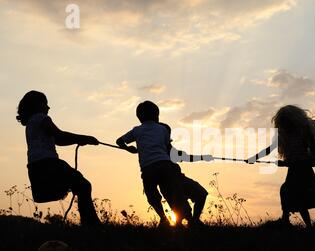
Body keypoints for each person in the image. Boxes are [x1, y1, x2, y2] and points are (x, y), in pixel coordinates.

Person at [16, 90, 101, 226]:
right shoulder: (41, 118)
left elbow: (58, 140)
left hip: (35, 167)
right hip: (49, 164)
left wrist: (78, 140)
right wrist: (85, 138)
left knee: (80, 186)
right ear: (38, 105)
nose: (48, 107)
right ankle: (92, 226)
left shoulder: (31, 123)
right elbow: (59, 136)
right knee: (84, 186)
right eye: (45, 103)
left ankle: (90, 225)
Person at [116, 100, 198, 228]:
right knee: (174, 192)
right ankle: (189, 219)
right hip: (166, 165)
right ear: (157, 115)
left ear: (139, 117)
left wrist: (129, 148)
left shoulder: (136, 130)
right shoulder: (162, 129)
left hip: (148, 168)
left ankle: (163, 218)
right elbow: (167, 148)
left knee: (152, 195)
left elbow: (119, 141)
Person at [247, 105, 315, 228]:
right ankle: (293, 222)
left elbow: (314, 149)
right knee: (289, 192)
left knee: (291, 193)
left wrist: (304, 159)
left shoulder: (303, 132)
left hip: (302, 168)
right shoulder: (283, 135)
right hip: (294, 168)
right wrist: (255, 157)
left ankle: (296, 223)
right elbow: (270, 148)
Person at [144, 122, 212, 228]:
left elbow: (184, 157)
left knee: (201, 193)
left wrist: (202, 157)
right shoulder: (152, 150)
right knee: (183, 212)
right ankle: (176, 226)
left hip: (180, 178)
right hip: (168, 185)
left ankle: (194, 222)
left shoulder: (169, 149)